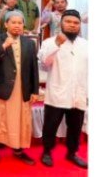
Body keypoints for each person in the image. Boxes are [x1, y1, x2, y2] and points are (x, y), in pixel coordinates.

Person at [0, 10, 39, 165]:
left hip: (23, 88)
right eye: (13, 22)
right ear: (6, 24)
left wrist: (35, 90)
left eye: (20, 23)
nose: (17, 26)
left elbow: (34, 68)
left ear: (23, 25)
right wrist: (3, 47)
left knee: (21, 119)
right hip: (2, 88)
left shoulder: (29, 43)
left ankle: (18, 150)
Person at [38, 10, 88, 169]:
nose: (72, 25)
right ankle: (47, 152)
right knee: (50, 126)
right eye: (68, 22)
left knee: (75, 127)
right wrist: (56, 44)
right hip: (57, 94)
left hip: (78, 94)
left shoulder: (86, 45)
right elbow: (44, 64)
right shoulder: (49, 42)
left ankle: (72, 153)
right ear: (61, 23)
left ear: (79, 25)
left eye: (76, 23)